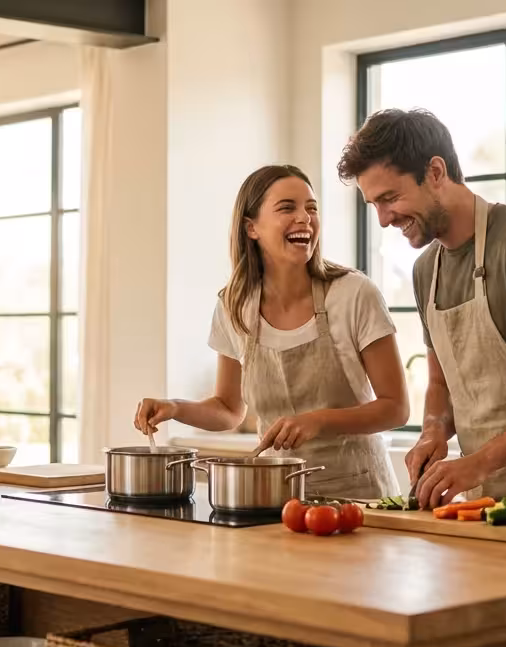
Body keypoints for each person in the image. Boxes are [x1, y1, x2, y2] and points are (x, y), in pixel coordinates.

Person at [337, 108, 506, 519]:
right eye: (373, 204)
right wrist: (434, 428)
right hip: (483, 499)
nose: (382, 219)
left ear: (435, 171)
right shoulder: (426, 271)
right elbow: (441, 382)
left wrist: (480, 462)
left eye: (390, 198)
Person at [134, 165, 405, 499]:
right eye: (287, 207)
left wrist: (317, 421)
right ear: (251, 228)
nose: (305, 217)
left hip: (359, 498)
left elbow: (396, 407)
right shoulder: (234, 306)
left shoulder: (354, 294)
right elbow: (228, 409)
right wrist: (174, 407)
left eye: (311, 207)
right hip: (277, 500)